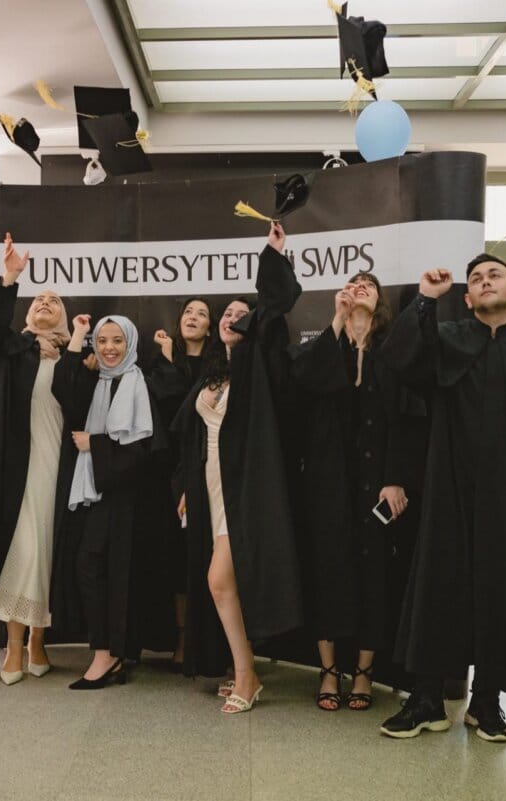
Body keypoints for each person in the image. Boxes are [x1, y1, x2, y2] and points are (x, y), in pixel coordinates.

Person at [378, 254, 506, 742]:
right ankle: (428, 699)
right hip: (449, 489)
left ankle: (487, 703)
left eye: (494, 275)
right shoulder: (447, 340)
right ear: (467, 297)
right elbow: (400, 359)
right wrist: (427, 301)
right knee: (439, 588)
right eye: (475, 279)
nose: (484, 281)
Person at [172, 222, 304, 714]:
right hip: (209, 486)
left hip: (243, 485)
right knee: (221, 582)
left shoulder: (258, 365)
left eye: (239, 312)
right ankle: (242, 670)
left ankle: (247, 674)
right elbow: (189, 434)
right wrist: (187, 484)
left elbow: (274, 306)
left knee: (219, 580)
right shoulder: (215, 373)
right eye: (224, 312)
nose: (230, 317)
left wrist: (273, 253)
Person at [289, 272, 427, 712]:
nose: (360, 287)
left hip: (376, 483)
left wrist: (396, 477)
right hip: (328, 483)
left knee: (373, 577)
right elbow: (306, 379)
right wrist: (337, 319)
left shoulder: (392, 350)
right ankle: (329, 670)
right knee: (326, 570)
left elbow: (405, 419)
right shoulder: (329, 347)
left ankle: (364, 673)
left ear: (381, 299)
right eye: (353, 284)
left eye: (369, 284)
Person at [0, 233, 73, 685]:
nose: (45, 302)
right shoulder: (11, 352)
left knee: (48, 550)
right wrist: (10, 277)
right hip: (18, 469)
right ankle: (14, 646)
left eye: (54, 300)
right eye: (39, 299)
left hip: (61, 468)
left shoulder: (75, 357)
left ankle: (38, 642)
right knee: (22, 547)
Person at [54, 314, 161, 689]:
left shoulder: (139, 384)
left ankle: (108, 653)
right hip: (98, 491)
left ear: (130, 343)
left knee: (112, 571)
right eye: (103, 341)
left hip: (128, 496)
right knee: (91, 567)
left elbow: (145, 449)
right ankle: (111, 651)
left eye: (117, 341)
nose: (110, 348)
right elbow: (61, 387)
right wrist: (79, 334)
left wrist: (94, 445)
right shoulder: (93, 380)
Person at [146, 298, 218, 668]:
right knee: (174, 558)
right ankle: (179, 638)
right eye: (189, 312)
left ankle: (203, 639)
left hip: (207, 465)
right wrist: (169, 355)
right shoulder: (164, 358)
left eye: (202, 314)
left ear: (211, 327)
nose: (193, 317)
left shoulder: (217, 364)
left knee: (205, 556)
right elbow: (169, 399)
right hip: (169, 470)